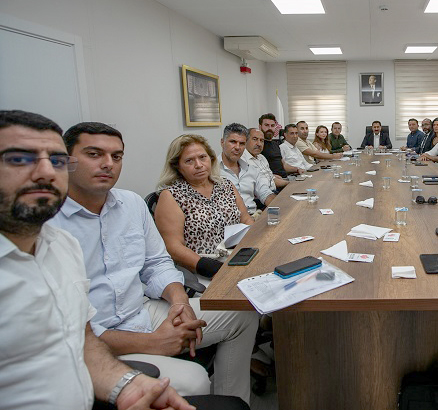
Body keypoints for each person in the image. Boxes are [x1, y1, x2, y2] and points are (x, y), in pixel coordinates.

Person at [49, 121, 258, 404]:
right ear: (65, 160)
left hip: (143, 311)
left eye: (116, 156)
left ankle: (231, 402)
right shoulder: (47, 223)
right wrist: (153, 343)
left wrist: (179, 302)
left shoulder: (131, 204)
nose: (108, 164)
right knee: (194, 380)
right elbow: (68, 328)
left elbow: (157, 263)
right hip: (100, 340)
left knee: (243, 314)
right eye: (94, 154)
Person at [0, 110, 192, 410]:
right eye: (19, 158)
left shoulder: (60, 245)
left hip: (138, 314)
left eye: (55, 160)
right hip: (119, 338)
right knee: (197, 382)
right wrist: (152, 344)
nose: (46, 172)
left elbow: (82, 337)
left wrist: (128, 388)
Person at [154, 134, 254, 278]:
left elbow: (245, 219)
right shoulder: (171, 196)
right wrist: (215, 269)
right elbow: (173, 247)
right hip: (203, 270)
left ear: (211, 159)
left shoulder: (225, 185)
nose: (199, 165)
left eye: (202, 157)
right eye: (189, 161)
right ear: (177, 166)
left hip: (238, 259)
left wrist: (253, 247)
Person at [218, 123, 276, 218]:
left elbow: (265, 193)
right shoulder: (212, 170)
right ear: (222, 142)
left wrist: (280, 206)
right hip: (229, 222)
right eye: (233, 142)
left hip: (254, 217)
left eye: (242, 144)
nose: (237, 147)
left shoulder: (251, 169)